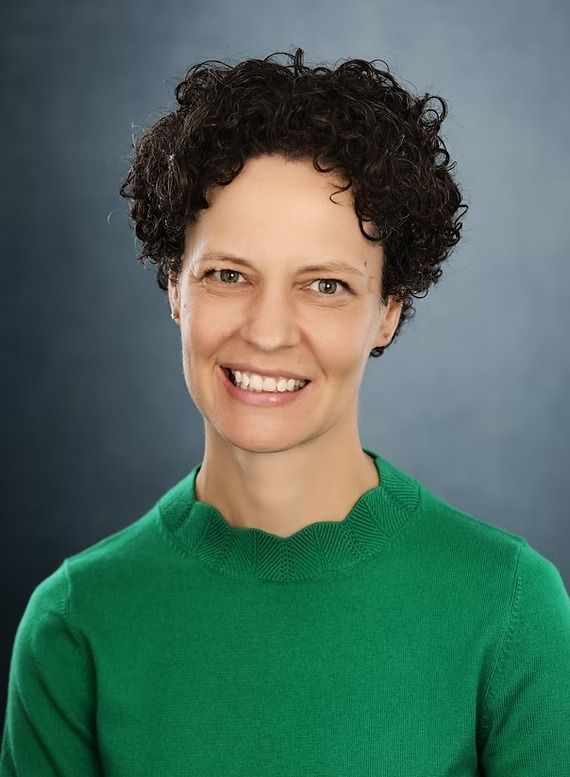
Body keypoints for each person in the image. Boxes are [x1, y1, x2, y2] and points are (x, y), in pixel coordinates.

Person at [1, 48, 569, 776]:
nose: (268, 332)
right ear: (175, 285)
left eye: (325, 285)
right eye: (228, 274)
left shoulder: (511, 610)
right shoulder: (75, 624)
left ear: (389, 310)